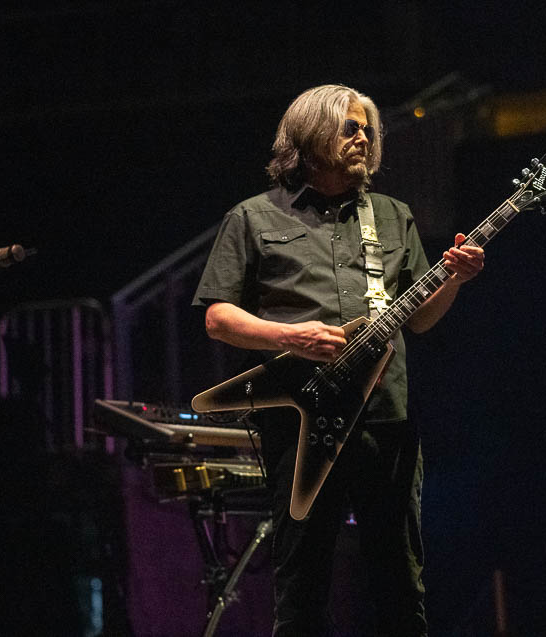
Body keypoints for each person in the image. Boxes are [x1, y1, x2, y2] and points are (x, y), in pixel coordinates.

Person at [192, 84, 484, 637]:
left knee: (401, 587)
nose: (364, 137)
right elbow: (217, 318)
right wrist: (291, 337)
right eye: (350, 127)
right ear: (311, 134)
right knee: (302, 589)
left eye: (368, 129)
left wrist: (454, 281)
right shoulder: (252, 217)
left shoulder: (392, 216)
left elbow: (420, 320)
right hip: (301, 423)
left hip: (386, 421)